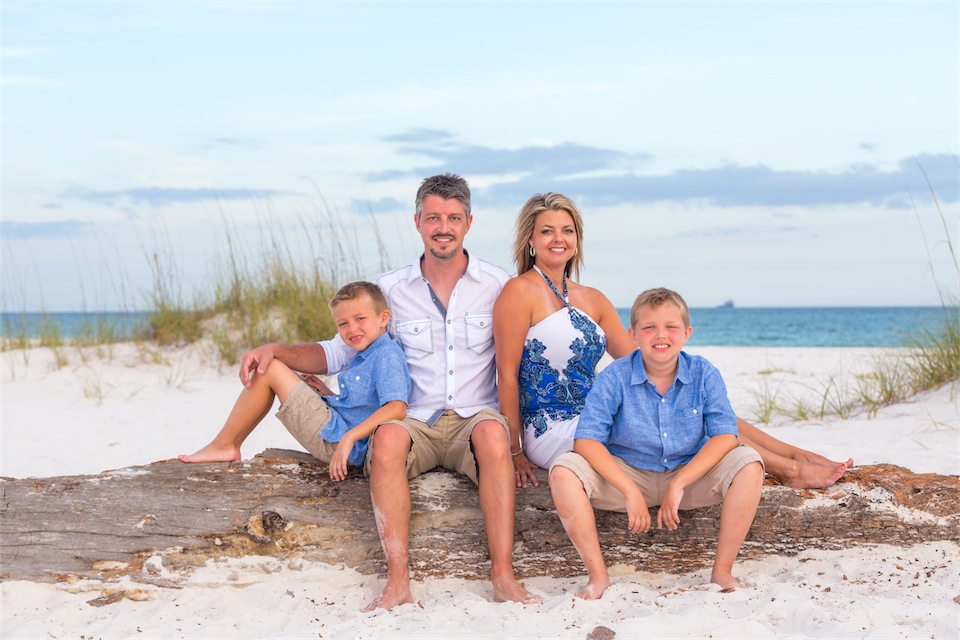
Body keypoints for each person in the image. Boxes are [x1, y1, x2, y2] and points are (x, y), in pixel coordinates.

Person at [494, 192, 852, 490]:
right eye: (547, 231)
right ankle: (789, 471)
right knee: (687, 423)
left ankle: (796, 454)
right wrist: (514, 451)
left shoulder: (593, 298)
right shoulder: (518, 292)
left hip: (599, 411)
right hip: (555, 428)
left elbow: (641, 359)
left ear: (578, 239)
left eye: (567, 230)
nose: (559, 239)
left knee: (698, 404)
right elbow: (507, 375)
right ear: (530, 240)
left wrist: (691, 386)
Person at [320, 174, 543, 611]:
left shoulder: (498, 284)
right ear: (418, 222)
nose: (444, 226)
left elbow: (527, 358)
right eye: (434, 217)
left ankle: (503, 576)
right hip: (414, 418)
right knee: (386, 438)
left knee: (494, 436)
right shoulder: (390, 289)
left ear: (469, 223)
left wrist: (523, 446)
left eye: (454, 218)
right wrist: (277, 353)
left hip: (476, 416)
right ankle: (397, 583)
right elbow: (339, 348)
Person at [549, 287, 765, 599]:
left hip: (688, 475)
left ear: (686, 333)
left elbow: (725, 435)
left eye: (671, 327)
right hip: (628, 474)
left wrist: (680, 484)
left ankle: (722, 572)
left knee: (749, 463)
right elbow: (586, 441)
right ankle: (598, 578)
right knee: (563, 470)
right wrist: (629, 490)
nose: (660, 335)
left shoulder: (704, 373)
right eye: (649, 327)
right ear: (633, 334)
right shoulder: (615, 376)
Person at [178, 281, 410, 482]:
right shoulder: (367, 352)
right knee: (275, 369)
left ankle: (225, 445)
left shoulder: (386, 354)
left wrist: (349, 437)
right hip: (340, 429)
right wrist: (328, 395)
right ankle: (229, 444)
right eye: (343, 324)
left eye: (360, 318)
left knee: (269, 368)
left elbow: (396, 407)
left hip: (343, 443)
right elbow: (364, 406)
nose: (352, 329)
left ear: (383, 318)